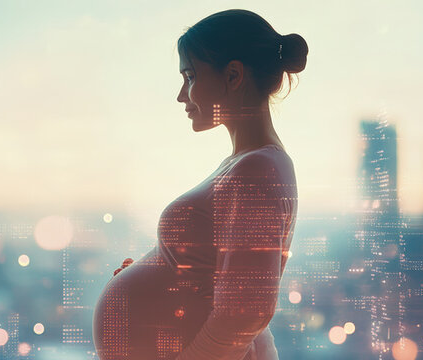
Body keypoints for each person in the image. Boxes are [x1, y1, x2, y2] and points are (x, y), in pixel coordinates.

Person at [93, 9, 306, 360]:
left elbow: (247, 310)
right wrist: (161, 277)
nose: (181, 94)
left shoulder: (258, 170)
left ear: (233, 75)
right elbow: (215, 278)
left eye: (189, 76)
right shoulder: (247, 164)